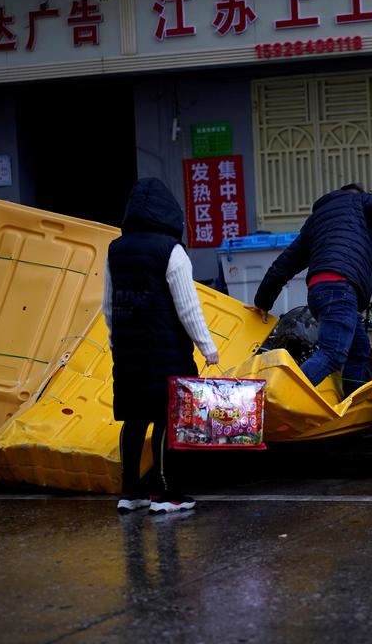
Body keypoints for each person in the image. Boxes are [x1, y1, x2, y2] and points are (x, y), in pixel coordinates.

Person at [105, 177, 220, 514]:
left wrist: (116, 344)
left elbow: (108, 306)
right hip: (165, 351)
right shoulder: (172, 251)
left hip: (127, 352)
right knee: (167, 417)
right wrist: (207, 346)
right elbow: (188, 306)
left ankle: (131, 493)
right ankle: (166, 493)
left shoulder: (115, 249)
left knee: (134, 418)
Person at [249, 183, 372, 388]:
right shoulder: (361, 201)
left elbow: (285, 263)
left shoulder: (316, 220)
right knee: (332, 354)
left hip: (320, 292)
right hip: (341, 290)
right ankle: (276, 395)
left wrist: (263, 300)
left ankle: (352, 404)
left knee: (359, 349)